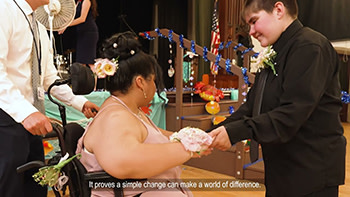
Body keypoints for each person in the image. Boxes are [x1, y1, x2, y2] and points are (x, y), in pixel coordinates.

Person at [208, 0, 346, 196]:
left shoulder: (309, 46)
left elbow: (292, 113)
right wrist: (209, 134)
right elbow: (252, 107)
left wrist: (235, 132)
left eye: (254, 21)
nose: (251, 31)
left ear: (278, 10)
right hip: (283, 169)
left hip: (310, 170)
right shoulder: (278, 50)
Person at [76, 32, 212, 197]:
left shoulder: (126, 108)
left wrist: (193, 138)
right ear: (140, 83)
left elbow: (155, 135)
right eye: (153, 80)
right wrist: (187, 149)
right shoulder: (116, 117)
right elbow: (122, 162)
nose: (155, 86)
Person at [0, 0, 99, 196]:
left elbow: (48, 79)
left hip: (32, 117)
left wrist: (80, 103)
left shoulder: (37, 22)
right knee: (8, 186)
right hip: (8, 116)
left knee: (35, 185)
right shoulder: (4, 9)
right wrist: (25, 112)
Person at [58, 0, 99, 70]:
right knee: (81, 61)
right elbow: (72, 17)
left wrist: (67, 25)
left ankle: (94, 80)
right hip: (82, 34)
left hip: (88, 33)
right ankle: (84, 80)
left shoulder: (86, 1)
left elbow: (82, 19)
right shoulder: (78, 2)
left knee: (90, 61)